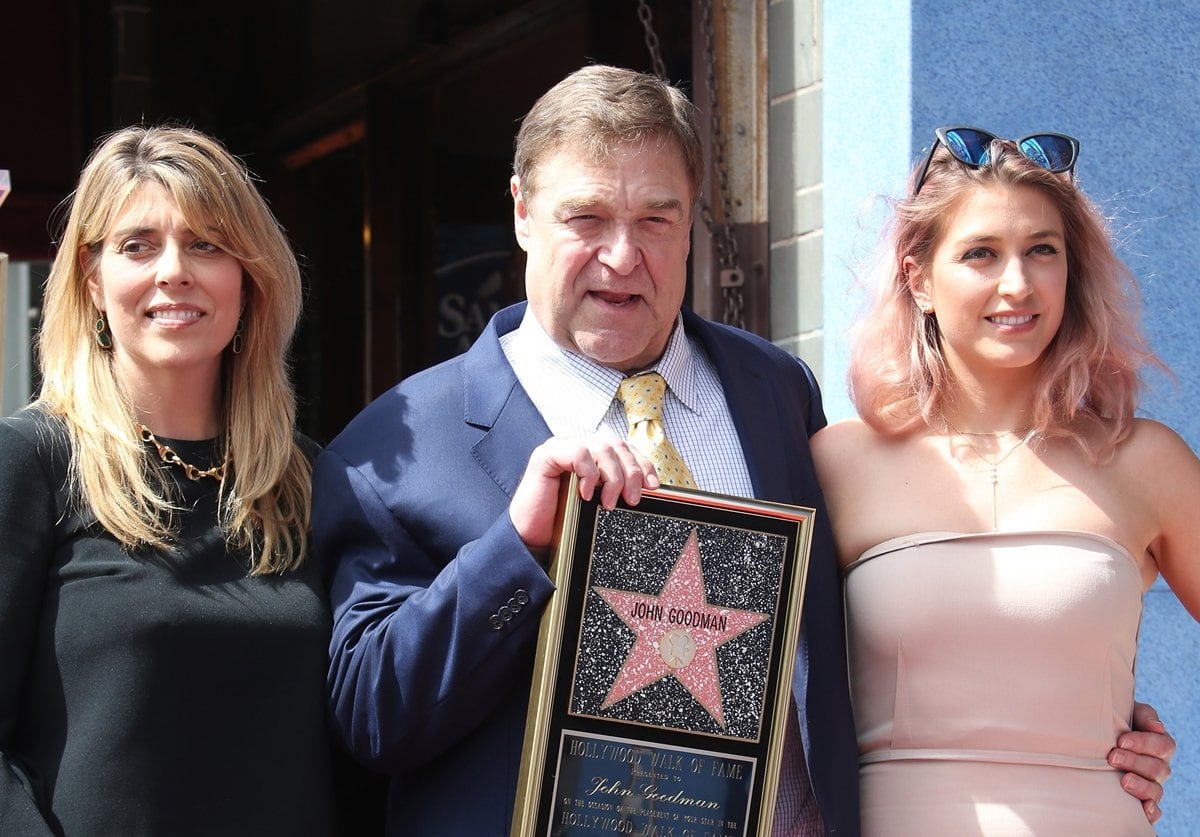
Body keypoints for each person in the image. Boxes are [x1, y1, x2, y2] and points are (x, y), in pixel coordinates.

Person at [313, 71, 1172, 835]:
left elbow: (882, 620)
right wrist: (516, 551)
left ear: (694, 223)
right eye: (587, 217)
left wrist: (1082, 710)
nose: (624, 255)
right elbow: (370, 717)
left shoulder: (774, 393)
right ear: (521, 213)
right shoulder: (396, 447)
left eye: (657, 217)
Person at [811, 126, 1193, 833]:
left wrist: (1151, 740)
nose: (1017, 283)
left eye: (1042, 251)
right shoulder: (837, 464)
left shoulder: (1148, 461)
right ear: (918, 277)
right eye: (981, 253)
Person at [0, 125, 340, 835]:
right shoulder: (29, 461)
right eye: (137, 245)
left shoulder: (304, 477)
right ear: (92, 280)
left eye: (207, 244)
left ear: (248, 276)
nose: (174, 270)